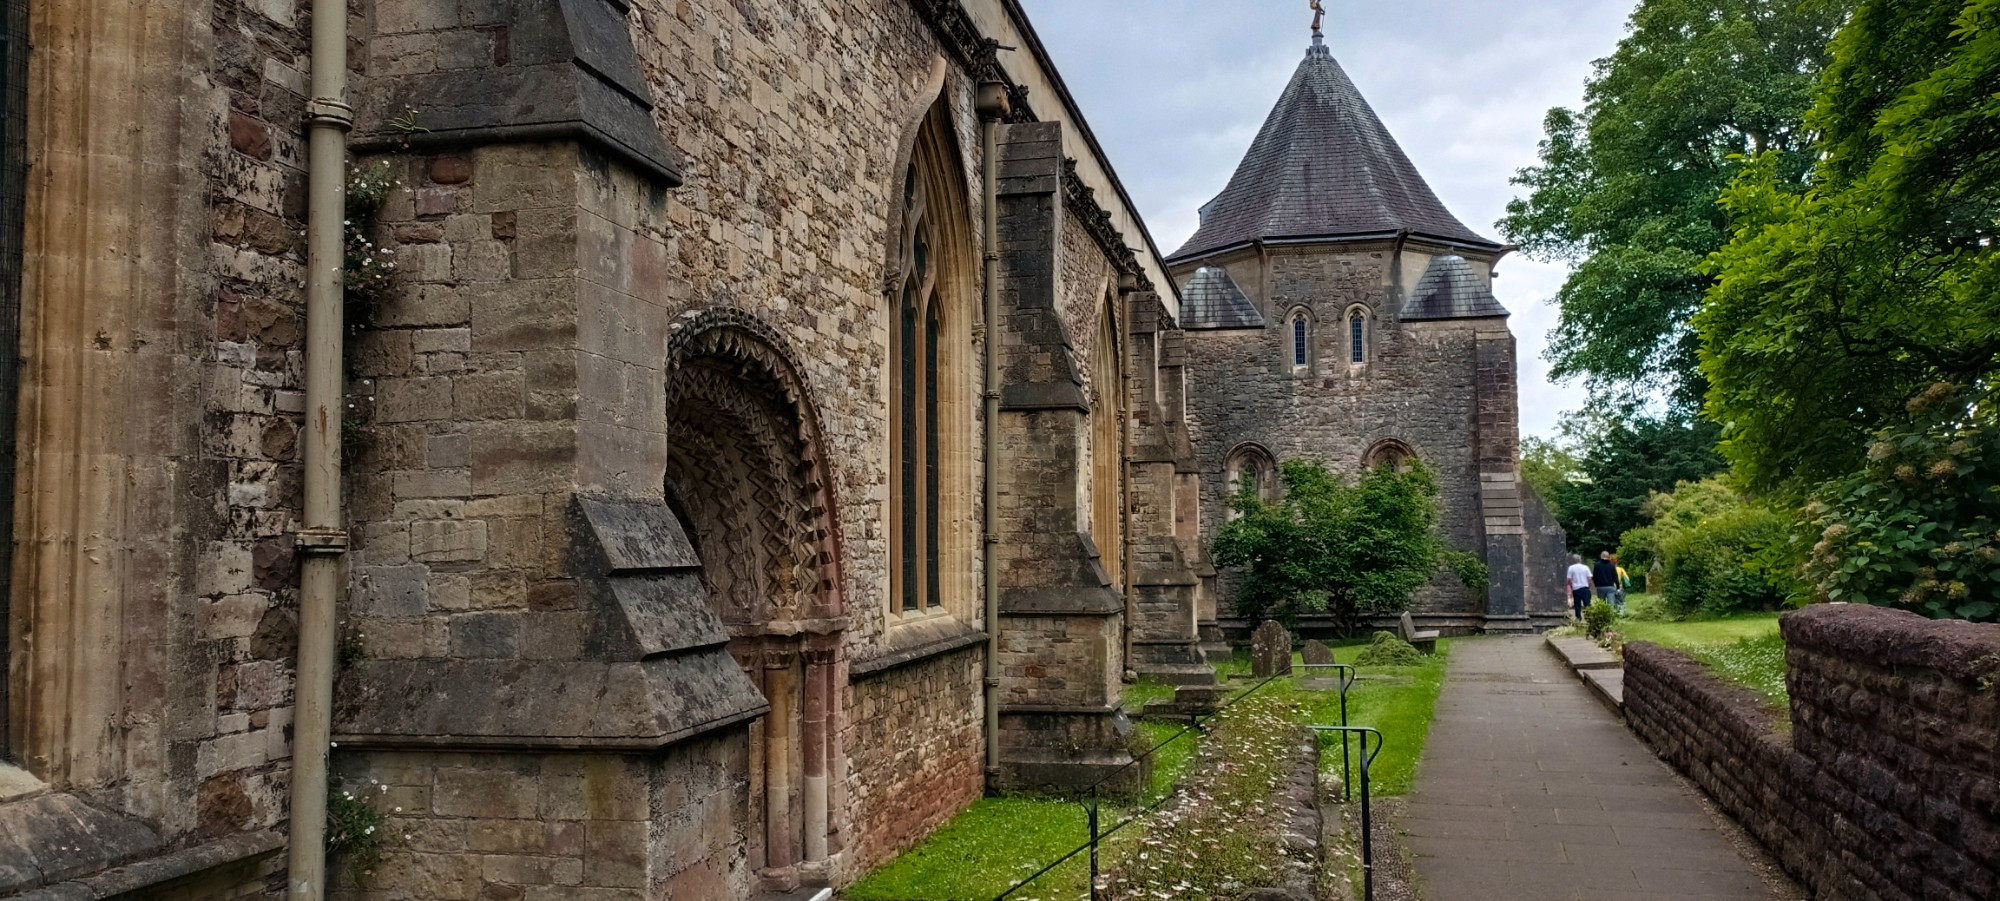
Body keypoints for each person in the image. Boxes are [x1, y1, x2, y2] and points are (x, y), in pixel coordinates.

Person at [1566, 554, 1594, 619]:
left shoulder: (1571, 568)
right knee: (1587, 603)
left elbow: (1569, 579)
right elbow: (1589, 578)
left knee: (1577, 604)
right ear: (1580, 560)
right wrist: (1589, 585)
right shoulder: (1585, 567)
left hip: (1576, 588)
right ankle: (1589, 616)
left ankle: (1578, 617)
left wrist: (1571, 585)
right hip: (1585, 587)